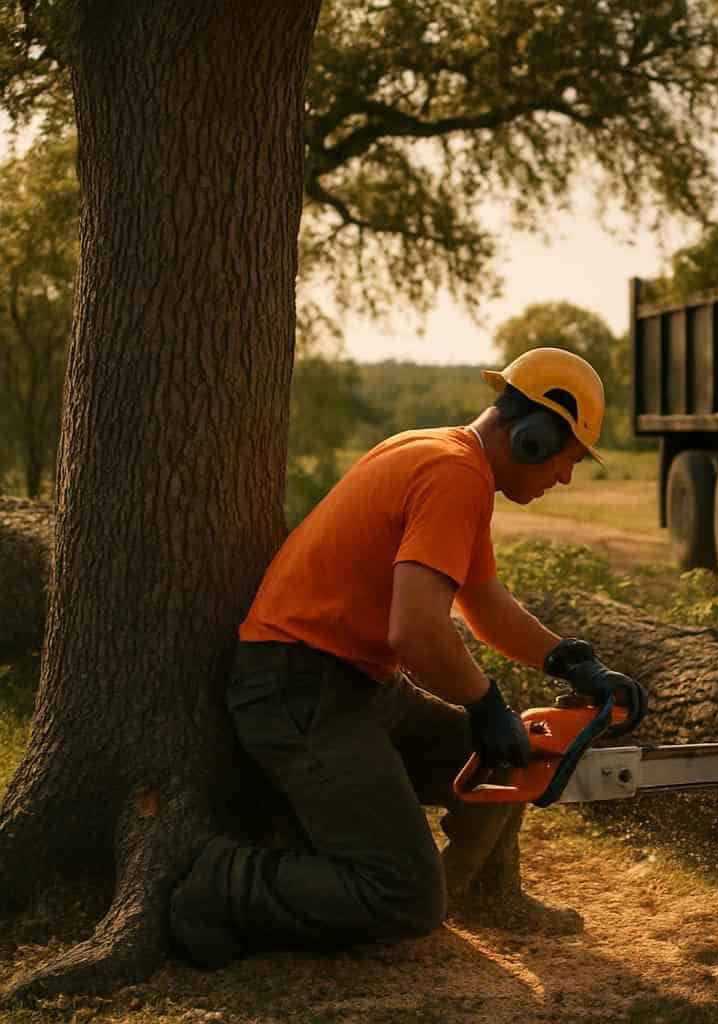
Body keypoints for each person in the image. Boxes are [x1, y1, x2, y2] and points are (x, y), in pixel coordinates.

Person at [168, 348, 647, 969]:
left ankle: (486, 895)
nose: (565, 479)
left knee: (511, 759)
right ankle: (223, 882)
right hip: (297, 690)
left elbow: (483, 603)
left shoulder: (444, 457)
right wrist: (484, 701)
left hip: (350, 685)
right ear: (534, 438)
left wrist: (570, 661)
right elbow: (416, 633)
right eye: (568, 458)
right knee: (404, 895)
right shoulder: (454, 474)